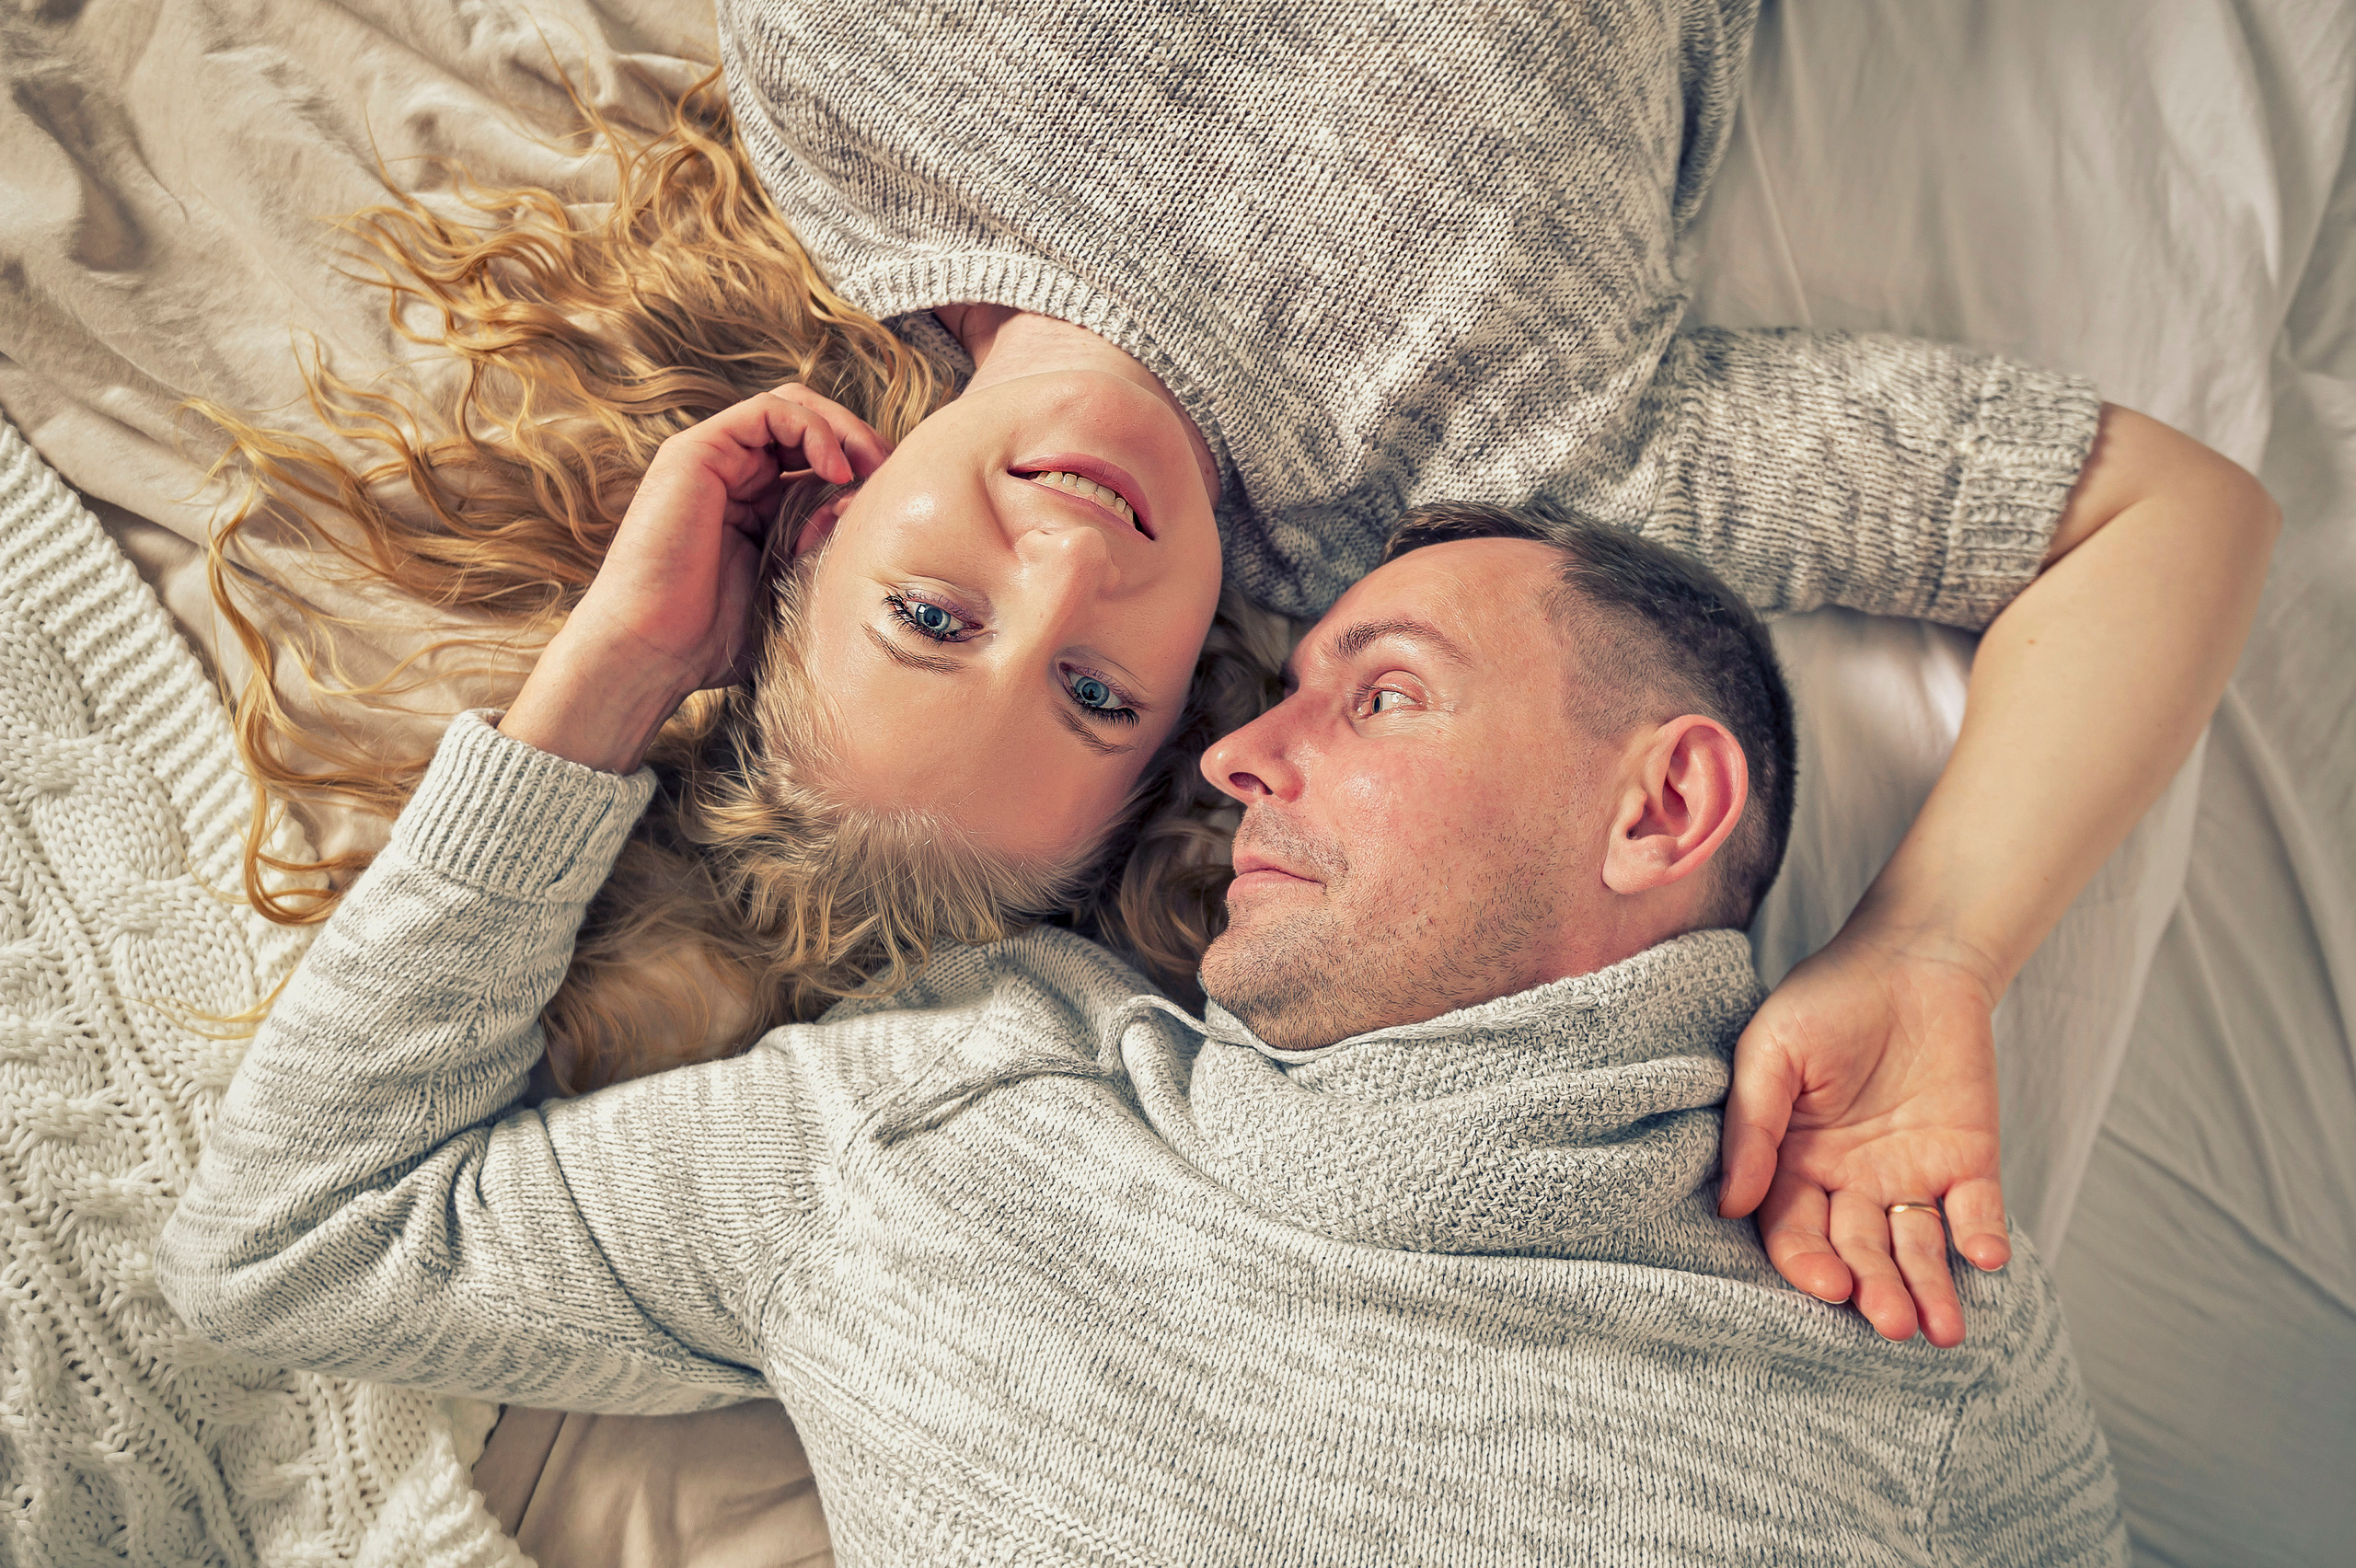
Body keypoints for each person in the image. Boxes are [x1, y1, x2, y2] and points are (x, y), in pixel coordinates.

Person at [201, 0, 2277, 1345]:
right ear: (1204, 706)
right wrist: (1928, 951)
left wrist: (638, 659)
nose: (1067, 580)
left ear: (808, 527)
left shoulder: (841, 99)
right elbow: (2162, 527)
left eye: (934, 618)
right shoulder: (1499, 483)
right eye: (1097, 698)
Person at [159, 502, 2128, 1564]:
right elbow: (292, 1238)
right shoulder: (948, 1121)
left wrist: (1935, 954)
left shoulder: (1882, 1284)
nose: (1242, 753)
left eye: (1382, 698)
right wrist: (601, 685)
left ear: (1658, 810)